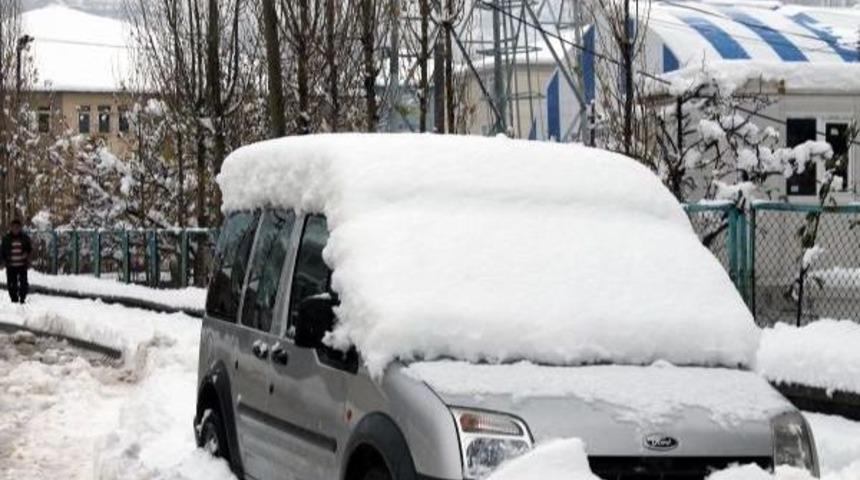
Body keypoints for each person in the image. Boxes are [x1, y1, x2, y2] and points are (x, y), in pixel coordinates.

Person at [1, 220, 32, 304]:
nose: (15, 229)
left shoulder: (25, 238)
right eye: (14, 227)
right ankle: (14, 300)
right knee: (12, 284)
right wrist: (2, 262)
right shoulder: (6, 239)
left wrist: (26, 254)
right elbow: (2, 251)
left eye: (17, 228)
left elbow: (29, 249)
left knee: (23, 283)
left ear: (20, 228)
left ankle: (22, 298)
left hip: (22, 265)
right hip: (11, 265)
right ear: (11, 228)